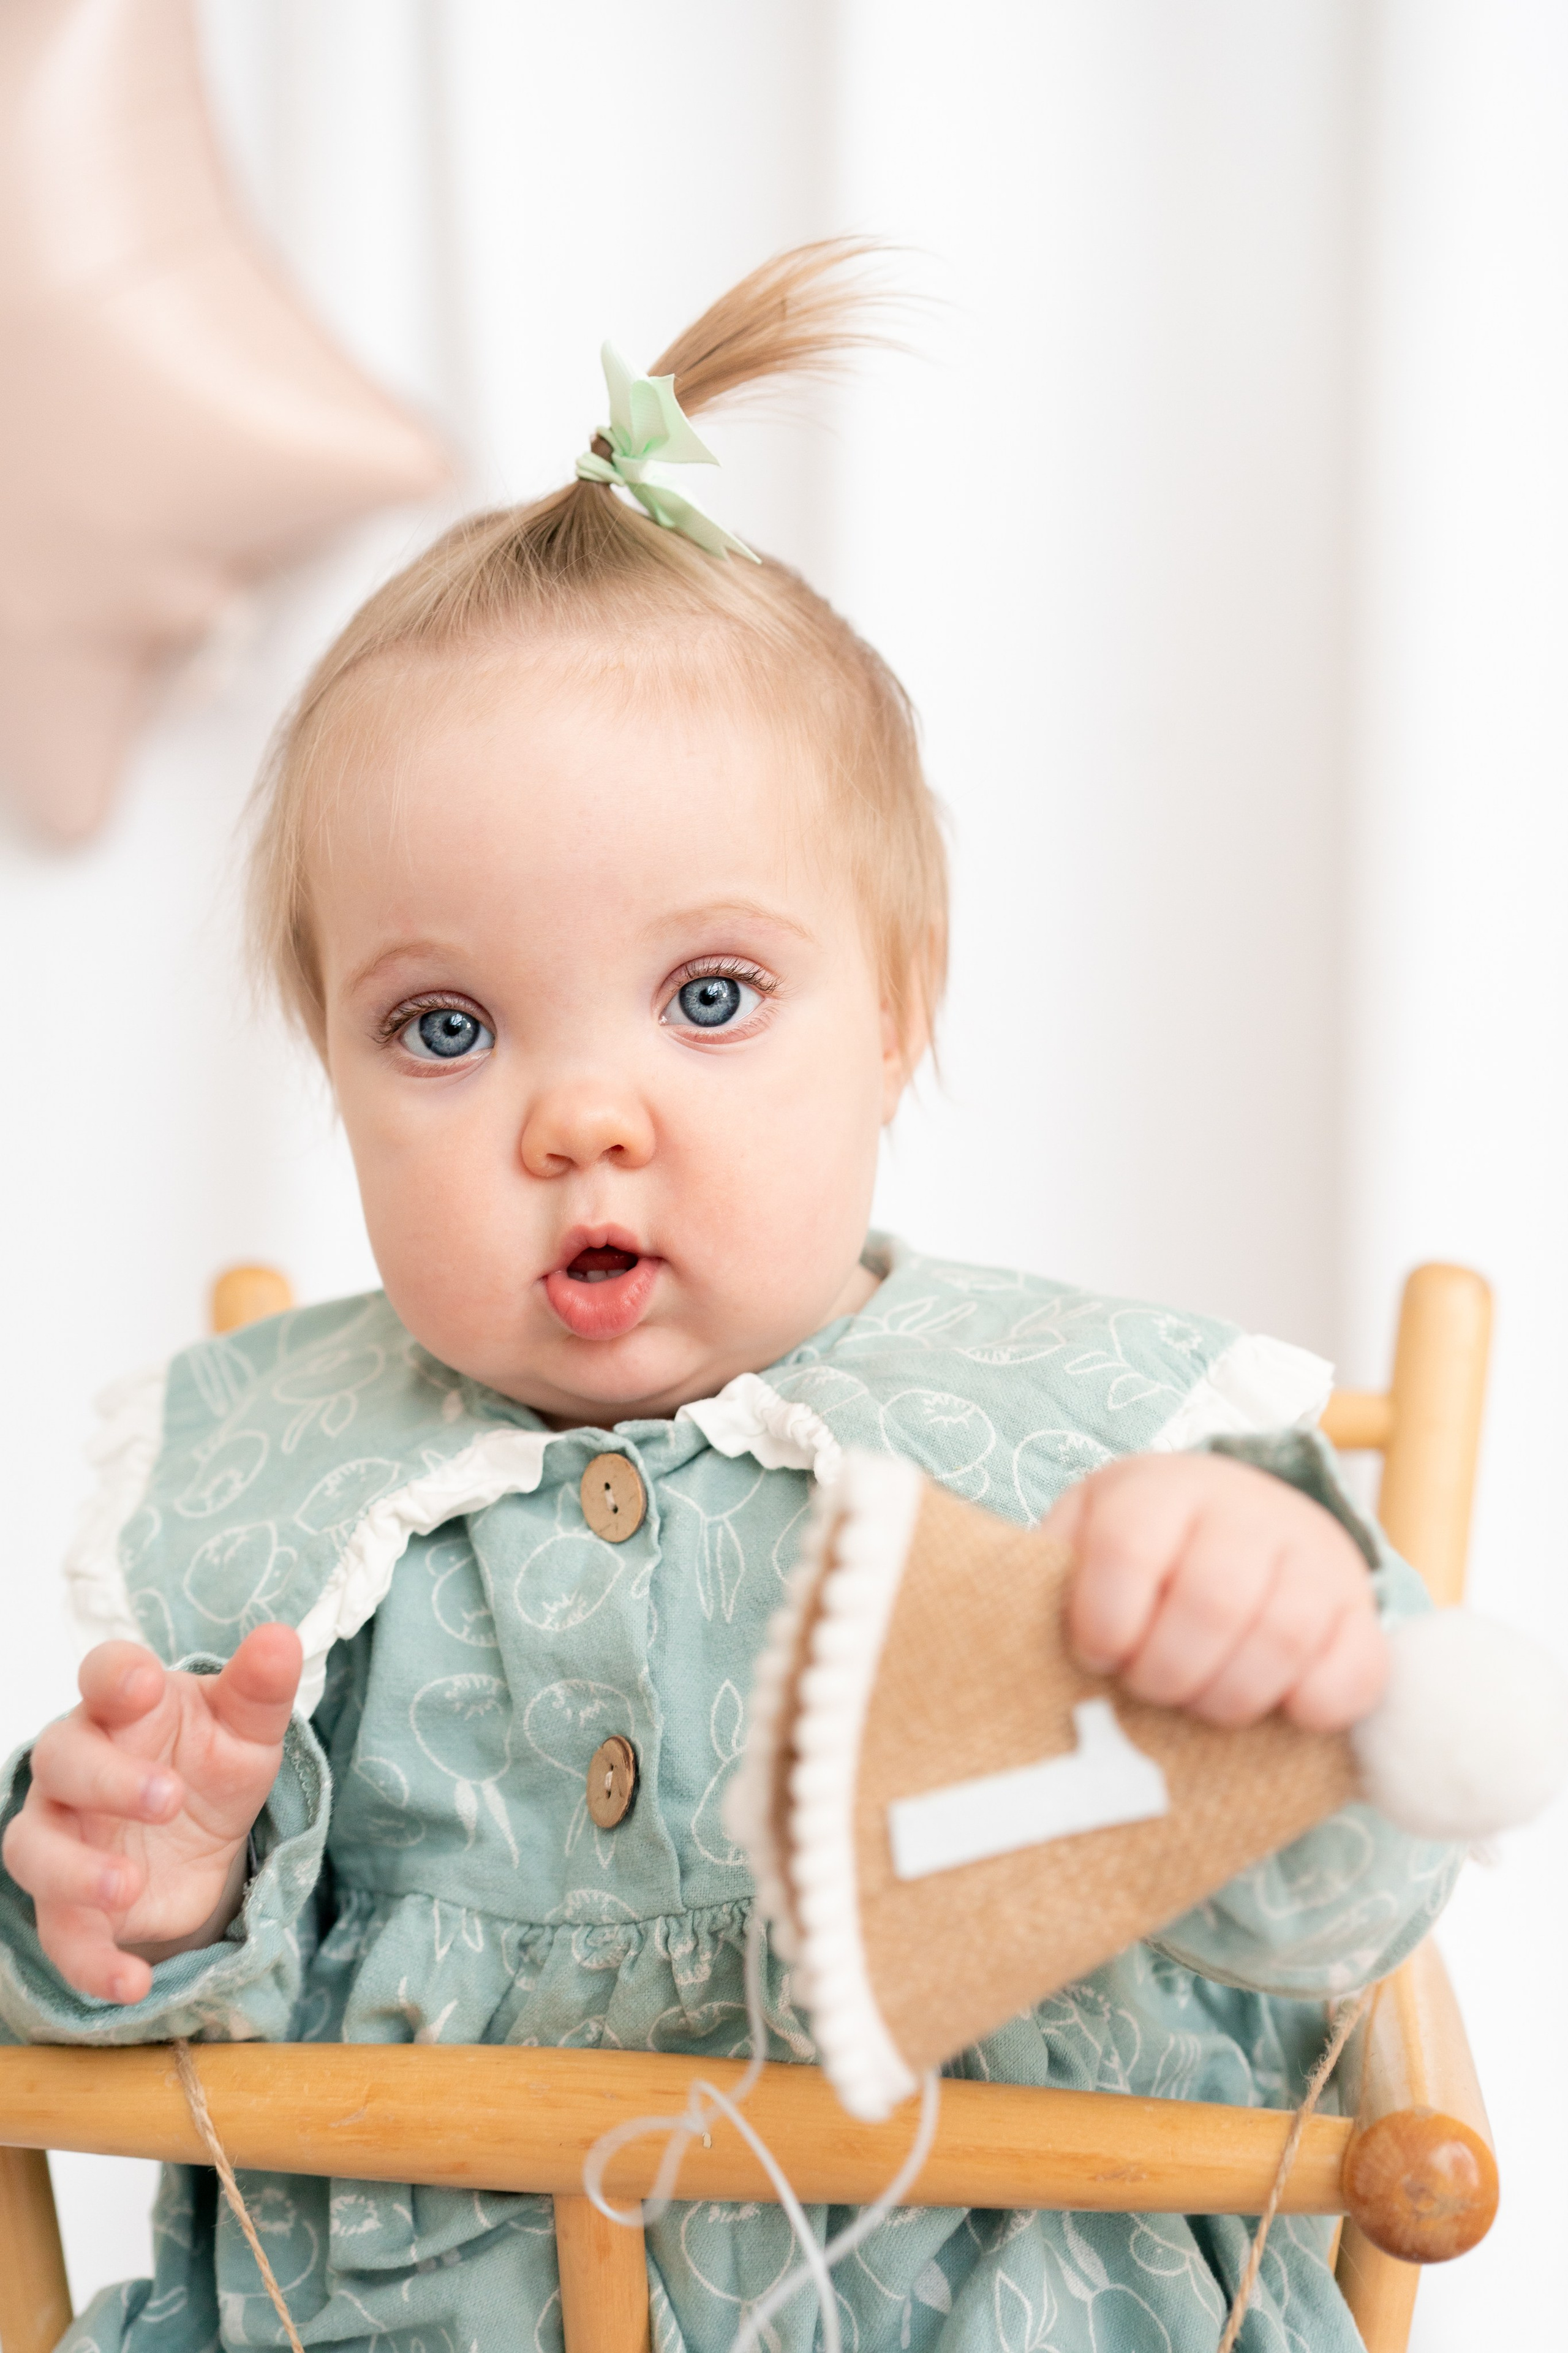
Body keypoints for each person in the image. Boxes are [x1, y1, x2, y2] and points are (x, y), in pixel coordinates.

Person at [0, 243, 1458, 2353]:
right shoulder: (284, 1502)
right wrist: (142, 1897)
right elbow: (127, 2040)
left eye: (709, 996)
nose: (582, 1117)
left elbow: (1335, 1925)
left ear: (896, 1020)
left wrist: (1279, 1645)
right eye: (440, 1028)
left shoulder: (1085, 1448)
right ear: (323, 1064)